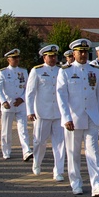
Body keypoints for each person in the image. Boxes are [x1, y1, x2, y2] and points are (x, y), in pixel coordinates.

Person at [57, 38, 99, 197]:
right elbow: (61, 96)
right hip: (74, 118)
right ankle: (76, 183)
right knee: (73, 153)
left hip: (92, 117)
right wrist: (66, 117)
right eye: (80, 52)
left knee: (93, 152)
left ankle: (97, 185)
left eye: (86, 52)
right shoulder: (66, 71)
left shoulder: (94, 70)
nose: (84, 54)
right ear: (74, 53)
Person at [26, 45, 65, 179]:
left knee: (60, 143)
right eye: (50, 56)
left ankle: (58, 171)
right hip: (42, 113)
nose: (53, 58)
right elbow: (30, 93)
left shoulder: (62, 71)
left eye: (55, 56)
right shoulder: (37, 71)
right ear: (44, 57)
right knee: (40, 142)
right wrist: (30, 111)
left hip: (59, 113)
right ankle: (37, 163)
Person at [0, 49, 33, 161]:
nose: (16, 60)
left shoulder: (23, 71)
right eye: (14, 58)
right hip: (8, 105)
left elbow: (28, 88)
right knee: (6, 131)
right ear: (8, 60)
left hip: (20, 105)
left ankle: (26, 151)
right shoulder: (3, 72)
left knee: (23, 129)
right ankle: (6, 151)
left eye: (17, 58)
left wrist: (22, 98)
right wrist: (3, 101)